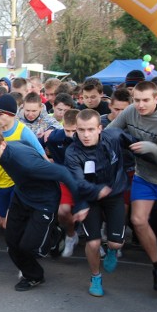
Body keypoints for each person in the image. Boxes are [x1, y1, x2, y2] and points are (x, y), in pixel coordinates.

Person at [0, 125, 88, 291]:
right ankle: (33, 276)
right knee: (12, 242)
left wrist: (80, 204)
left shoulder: (25, 163)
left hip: (44, 201)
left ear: (3, 145)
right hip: (22, 196)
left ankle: (56, 235)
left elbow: (63, 173)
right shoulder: (8, 148)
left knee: (30, 247)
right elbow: (24, 143)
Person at [107, 81, 157, 291]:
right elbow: (108, 133)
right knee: (138, 220)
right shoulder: (131, 111)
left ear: (156, 98)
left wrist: (152, 148)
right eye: (137, 100)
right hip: (144, 176)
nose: (140, 105)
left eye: (145, 100)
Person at [65, 109, 127, 297]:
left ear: (100, 128)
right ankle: (95, 277)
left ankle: (111, 250)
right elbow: (78, 182)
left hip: (114, 194)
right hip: (90, 197)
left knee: (116, 244)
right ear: (75, 129)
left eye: (91, 129)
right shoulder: (72, 152)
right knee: (93, 243)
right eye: (81, 130)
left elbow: (135, 143)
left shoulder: (114, 137)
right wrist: (92, 195)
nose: (86, 135)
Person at [0, 94, 47, 228]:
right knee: (3, 223)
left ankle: (22, 246)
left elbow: (43, 158)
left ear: (11, 114)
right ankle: (15, 245)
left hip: (18, 183)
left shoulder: (24, 132)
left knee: (12, 220)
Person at [45, 109, 80, 256]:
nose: (71, 134)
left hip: (85, 182)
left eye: (74, 130)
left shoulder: (90, 138)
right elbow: (39, 145)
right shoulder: (54, 137)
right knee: (63, 211)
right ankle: (71, 235)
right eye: (67, 130)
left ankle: (95, 240)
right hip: (64, 180)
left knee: (91, 213)